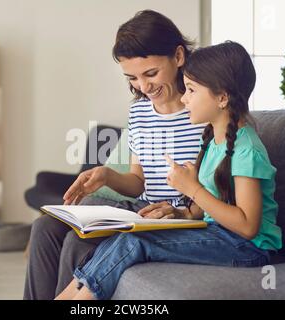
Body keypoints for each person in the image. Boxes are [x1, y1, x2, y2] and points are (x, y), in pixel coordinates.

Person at [55, 41, 283, 300]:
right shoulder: (211, 141)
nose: (184, 98)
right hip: (218, 234)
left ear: (222, 97)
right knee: (125, 237)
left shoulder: (246, 150)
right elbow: (205, 210)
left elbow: (247, 226)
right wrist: (183, 212)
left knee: (135, 243)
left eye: (191, 90)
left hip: (247, 249)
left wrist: (192, 189)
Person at [24, 10, 205, 300]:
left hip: (175, 218)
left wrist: (184, 210)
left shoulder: (204, 110)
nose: (143, 87)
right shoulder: (139, 111)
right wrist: (106, 175)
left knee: (76, 243)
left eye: (151, 73)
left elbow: (216, 186)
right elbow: (138, 181)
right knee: (44, 227)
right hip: (141, 208)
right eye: (132, 78)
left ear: (179, 56)